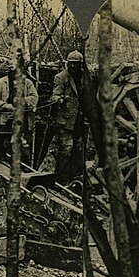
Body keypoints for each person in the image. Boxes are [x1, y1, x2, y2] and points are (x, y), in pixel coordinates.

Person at [39, 50, 85, 183]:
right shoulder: (61, 77)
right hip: (65, 121)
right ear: (67, 63)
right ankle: (62, 180)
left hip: (79, 120)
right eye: (71, 64)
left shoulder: (84, 77)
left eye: (76, 64)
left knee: (79, 150)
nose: (74, 67)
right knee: (66, 150)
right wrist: (59, 99)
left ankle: (76, 178)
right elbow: (54, 95)